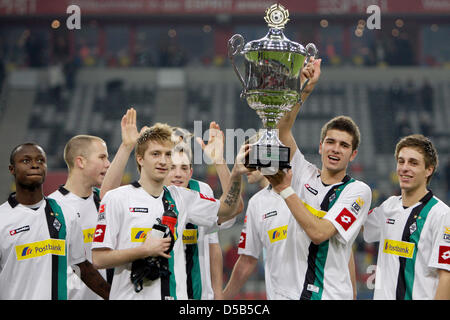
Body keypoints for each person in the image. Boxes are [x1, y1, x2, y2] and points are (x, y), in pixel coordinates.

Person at [91, 120, 249, 300]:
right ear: (140, 158)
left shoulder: (183, 197)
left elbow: (229, 208)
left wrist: (234, 172)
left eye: (168, 155)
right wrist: (144, 250)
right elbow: (98, 259)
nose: (163, 161)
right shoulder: (117, 198)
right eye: (156, 154)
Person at [264, 57, 371, 299]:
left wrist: (286, 191)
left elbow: (320, 233)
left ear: (353, 154)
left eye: (344, 145)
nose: (335, 149)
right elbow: (282, 131)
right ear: (320, 146)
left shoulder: (358, 191)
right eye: (331, 142)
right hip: (291, 294)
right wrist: (303, 89)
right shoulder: (303, 172)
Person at [0, 143, 110, 300]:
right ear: (12, 169)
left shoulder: (65, 213)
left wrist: (113, 295)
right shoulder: (2, 218)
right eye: (26, 161)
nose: (34, 165)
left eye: (40, 161)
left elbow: (83, 267)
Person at [363, 134, 450, 299]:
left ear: (429, 169)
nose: (404, 167)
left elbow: (447, 276)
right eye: (401, 161)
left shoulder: (442, 214)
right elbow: (356, 225)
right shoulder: (388, 206)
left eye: (413, 163)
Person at [48, 134, 112, 299]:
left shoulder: (105, 202)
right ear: (81, 162)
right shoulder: (51, 207)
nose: (108, 164)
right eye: (102, 157)